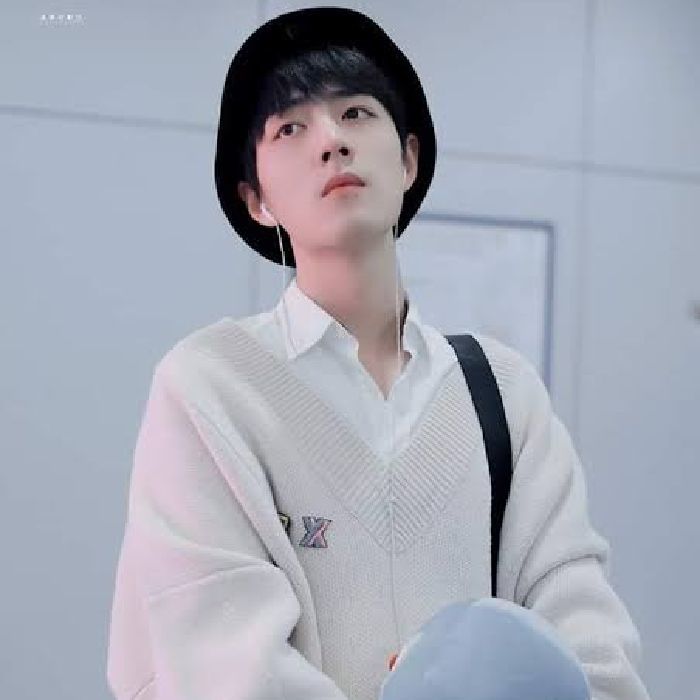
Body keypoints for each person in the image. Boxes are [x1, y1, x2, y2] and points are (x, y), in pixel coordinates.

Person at [106, 7, 652, 700]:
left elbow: (588, 645)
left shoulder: (504, 394)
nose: (331, 141)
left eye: (356, 113)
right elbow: (219, 664)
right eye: (289, 128)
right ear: (256, 199)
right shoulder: (212, 387)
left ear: (409, 159)